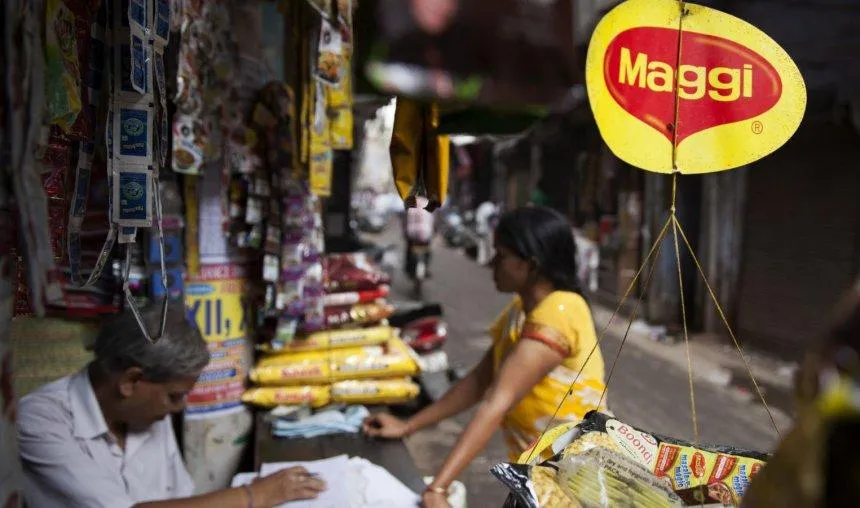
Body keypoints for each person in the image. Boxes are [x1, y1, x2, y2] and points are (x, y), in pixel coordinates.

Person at [363, 207, 607, 508]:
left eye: (501, 255)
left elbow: (496, 400)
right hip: (537, 478)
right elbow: (479, 382)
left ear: (530, 264)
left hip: (572, 483)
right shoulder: (520, 311)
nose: (491, 263)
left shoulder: (560, 312)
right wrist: (408, 426)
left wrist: (438, 488)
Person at [17, 305, 326, 508]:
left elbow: (178, 498)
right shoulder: (40, 420)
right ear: (131, 381)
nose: (180, 407)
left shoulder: (146, 411)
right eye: (175, 396)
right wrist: (254, 495)